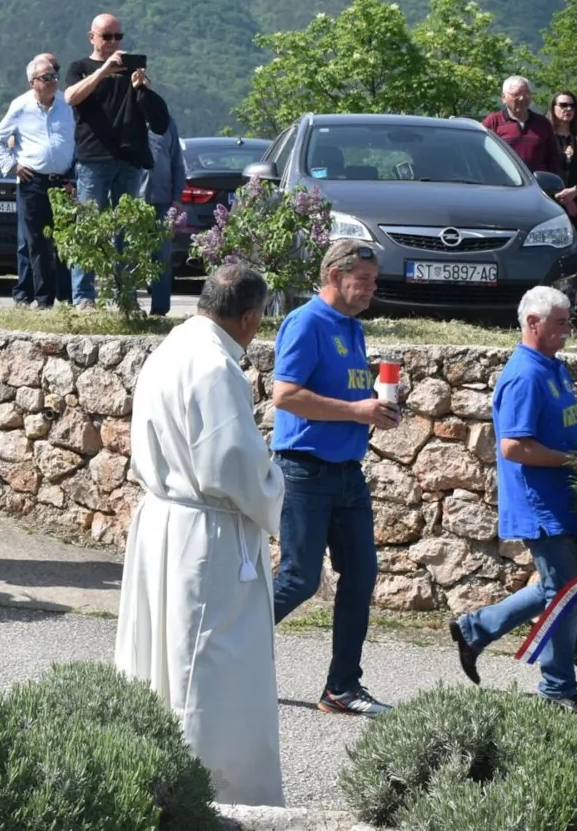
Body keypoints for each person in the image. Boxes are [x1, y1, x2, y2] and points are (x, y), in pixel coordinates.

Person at [115, 264, 285, 805]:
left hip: (165, 522)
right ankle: (212, 795)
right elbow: (231, 464)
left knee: (163, 657)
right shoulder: (216, 366)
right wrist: (276, 488)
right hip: (206, 535)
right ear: (250, 317)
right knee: (209, 668)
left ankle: (149, 782)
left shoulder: (171, 348)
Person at [446, 287, 577, 719]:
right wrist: (571, 461)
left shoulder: (553, 368)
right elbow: (514, 446)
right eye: (560, 322)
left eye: (569, 320)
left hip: (562, 499)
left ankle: (475, 628)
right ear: (533, 323)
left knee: (560, 588)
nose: (568, 328)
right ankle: (557, 686)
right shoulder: (524, 375)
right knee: (564, 593)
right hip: (541, 504)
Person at [270, 239, 399, 717]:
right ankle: (216, 653)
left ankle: (342, 688)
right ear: (334, 277)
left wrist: (378, 410)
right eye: (362, 281)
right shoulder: (305, 322)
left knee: (361, 575)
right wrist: (356, 410)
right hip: (304, 470)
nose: (370, 289)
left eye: (373, 281)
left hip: (348, 472)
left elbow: (348, 398)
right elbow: (285, 395)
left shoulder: (353, 328)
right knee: (299, 579)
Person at [63, 13, 171, 309]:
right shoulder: (80, 67)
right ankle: (84, 297)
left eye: (118, 37)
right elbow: (71, 97)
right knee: (89, 226)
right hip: (93, 158)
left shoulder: (129, 71)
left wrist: (142, 87)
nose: (113, 42)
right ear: (92, 38)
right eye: (107, 37)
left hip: (128, 158)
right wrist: (103, 71)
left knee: (127, 229)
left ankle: (126, 296)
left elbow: (154, 116)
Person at [0, 58, 75, 310]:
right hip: (33, 182)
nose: (53, 81)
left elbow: (78, 140)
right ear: (32, 82)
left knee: (65, 240)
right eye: (46, 77)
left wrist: (73, 176)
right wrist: (12, 166)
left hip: (63, 182)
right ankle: (43, 299)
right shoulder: (21, 106)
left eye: (54, 76)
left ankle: (67, 297)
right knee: (36, 242)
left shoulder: (67, 104)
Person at [482, 77, 577, 214]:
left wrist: (554, 188)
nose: (522, 98)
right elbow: (480, 157)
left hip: (536, 193)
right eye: (516, 95)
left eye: (526, 94)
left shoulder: (542, 124)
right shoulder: (493, 122)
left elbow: (552, 159)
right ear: (503, 98)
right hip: (502, 192)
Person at [139, 114, 185, 317]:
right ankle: (129, 305)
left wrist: (177, 199)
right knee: (129, 255)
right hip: (133, 200)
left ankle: (159, 309)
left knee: (162, 256)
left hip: (163, 199)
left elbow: (177, 163)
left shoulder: (167, 122)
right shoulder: (127, 118)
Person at [549, 91, 577, 217]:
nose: (568, 109)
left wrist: (575, 190)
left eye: (572, 106)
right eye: (563, 105)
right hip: (550, 200)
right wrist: (565, 198)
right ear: (553, 108)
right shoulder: (545, 136)